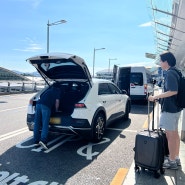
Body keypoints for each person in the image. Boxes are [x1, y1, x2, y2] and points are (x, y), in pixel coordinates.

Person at [148, 51, 182, 170]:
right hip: (176, 108)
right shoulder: (176, 71)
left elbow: (173, 91)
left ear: (166, 62)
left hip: (170, 109)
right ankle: (175, 157)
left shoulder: (170, 74)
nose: (160, 63)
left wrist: (155, 97)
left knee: (170, 134)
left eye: (161, 61)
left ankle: (172, 161)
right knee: (174, 133)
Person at [33, 82, 61, 150]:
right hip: (46, 106)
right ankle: (43, 141)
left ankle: (36, 141)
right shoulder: (57, 91)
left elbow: (40, 96)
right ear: (58, 87)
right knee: (45, 124)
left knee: (37, 123)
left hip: (38, 104)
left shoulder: (48, 90)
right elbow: (57, 102)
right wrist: (56, 110)